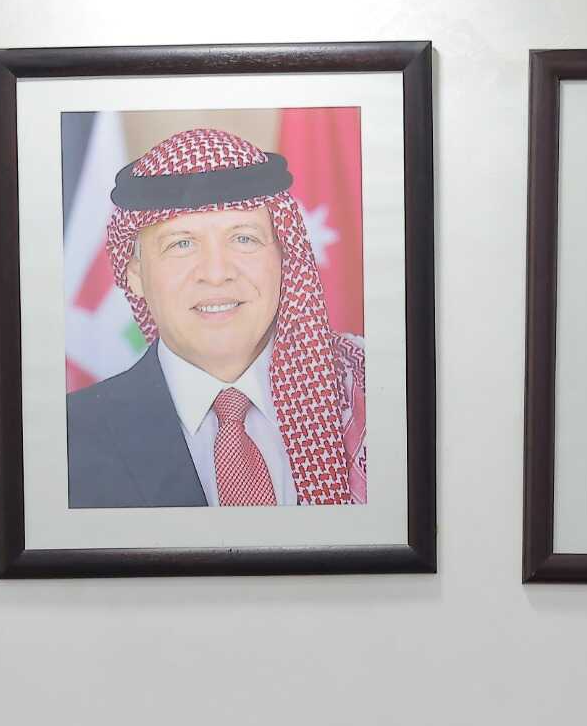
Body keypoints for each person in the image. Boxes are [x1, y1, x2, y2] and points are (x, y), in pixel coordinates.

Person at [65, 126, 367, 509]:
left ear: (285, 258)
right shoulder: (68, 441)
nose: (216, 272)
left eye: (244, 239)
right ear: (136, 276)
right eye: (182, 244)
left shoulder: (368, 394)